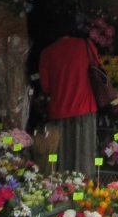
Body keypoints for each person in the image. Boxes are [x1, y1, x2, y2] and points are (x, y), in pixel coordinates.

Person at [38, 29, 100, 177]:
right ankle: (85, 184)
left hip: (59, 111)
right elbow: (98, 66)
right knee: (84, 155)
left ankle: (62, 185)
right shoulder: (85, 45)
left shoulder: (47, 52)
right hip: (85, 109)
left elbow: (45, 87)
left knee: (62, 156)